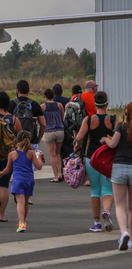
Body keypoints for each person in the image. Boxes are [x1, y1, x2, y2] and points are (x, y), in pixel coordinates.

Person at [75, 91, 116, 232]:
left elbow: (79, 137)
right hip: (108, 159)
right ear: (107, 104)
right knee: (107, 189)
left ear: (94, 104)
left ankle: (97, 222)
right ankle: (107, 211)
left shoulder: (88, 119)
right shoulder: (113, 119)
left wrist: (77, 145)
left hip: (92, 158)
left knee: (95, 190)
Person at [0, 131, 44, 233]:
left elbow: (8, 169)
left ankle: (21, 223)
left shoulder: (12, 154)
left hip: (18, 180)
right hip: (29, 179)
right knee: (25, 202)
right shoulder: (31, 154)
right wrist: (40, 157)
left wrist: (1, 174)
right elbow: (39, 167)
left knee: (20, 202)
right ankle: (23, 221)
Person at [101, 102, 132, 250]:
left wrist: (106, 140)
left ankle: (123, 232)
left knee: (120, 204)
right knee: (131, 207)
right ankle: (131, 238)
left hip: (119, 167)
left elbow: (113, 144)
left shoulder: (121, 126)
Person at [0, 91, 21, 223]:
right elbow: (20, 138)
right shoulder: (13, 119)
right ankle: (2, 215)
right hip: (8, 155)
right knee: (3, 184)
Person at [7, 80, 46, 146]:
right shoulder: (35, 105)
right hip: (31, 141)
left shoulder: (10, 104)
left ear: (17, 91)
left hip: (15, 142)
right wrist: (38, 139)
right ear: (29, 91)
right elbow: (43, 124)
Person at [41, 87, 65, 183]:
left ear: (45, 96)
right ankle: (60, 174)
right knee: (58, 154)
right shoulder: (59, 105)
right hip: (60, 130)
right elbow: (62, 117)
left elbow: (41, 119)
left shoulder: (42, 107)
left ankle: (55, 176)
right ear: (53, 96)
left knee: (52, 155)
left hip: (49, 131)